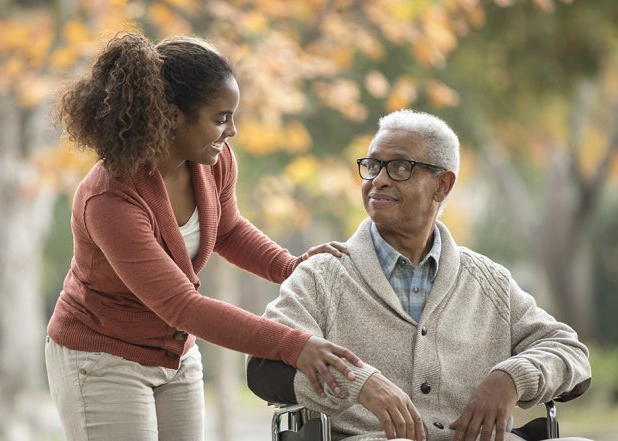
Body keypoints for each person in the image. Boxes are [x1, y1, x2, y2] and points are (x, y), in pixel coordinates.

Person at [44, 31, 365, 441]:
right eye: (220, 118)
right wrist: (294, 346)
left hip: (175, 354)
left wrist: (290, 268)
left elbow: (228, 229)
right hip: (101, 357)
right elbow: (181, 305)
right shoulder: (110, 197)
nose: (232, 130)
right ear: (174, 116)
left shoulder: (213, 160)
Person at [247, 109, 592, 441]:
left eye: (399, 167)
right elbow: (264, 365)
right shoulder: (322, 276)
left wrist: (512, 378)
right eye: (372, 166)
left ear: (442, 185)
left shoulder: (490, 283)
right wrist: (359, 383)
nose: (378, 180)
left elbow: (570, 353)